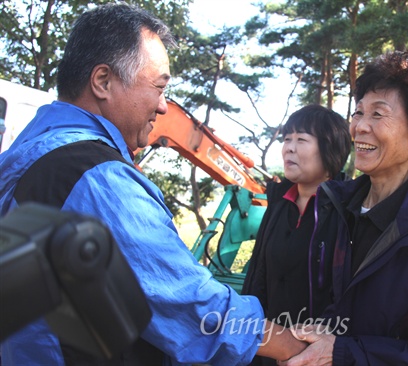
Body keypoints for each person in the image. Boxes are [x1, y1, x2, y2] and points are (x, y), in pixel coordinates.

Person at [0, 3, 306, 365]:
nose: (163, 107)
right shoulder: (99, 178)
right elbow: (189, 304)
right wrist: (294, 347)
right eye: (159, 88)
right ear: (103, 81)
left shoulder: (32, 148)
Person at [279, 51, 408, 366]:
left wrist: (340, 353)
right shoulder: (340, 209)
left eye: (378, 114)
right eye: (359, 112)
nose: (360, 127)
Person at [242, 105, 351, 365]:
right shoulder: (280, 204)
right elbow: (258, 276)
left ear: (330, 150)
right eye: (287, 138)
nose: (289, 147)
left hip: (316, 354)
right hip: (268, 349)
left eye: (301, 139)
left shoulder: (347, 212)